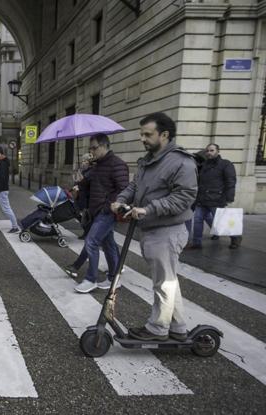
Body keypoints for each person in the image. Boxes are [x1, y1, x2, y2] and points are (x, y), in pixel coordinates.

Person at [112, 112, 197, 342]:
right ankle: (178, 329)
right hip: (151, 229)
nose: (143, 139)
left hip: (168, 230)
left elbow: (184, 197)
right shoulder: (148, 161)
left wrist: (149, 209)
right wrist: (120, 200)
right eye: (141, 134)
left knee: (164, 283)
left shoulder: (181, 162)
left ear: (164, 135)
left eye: (147, 134)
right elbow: (134, 186)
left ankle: (158, 329)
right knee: (168, 281)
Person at [74, 134, 129, 293]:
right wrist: (81, 180)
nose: (91, 151)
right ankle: (114, 278)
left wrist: (108, 205)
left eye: (94, 147)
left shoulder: (116, 164)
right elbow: (90, 186)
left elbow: (124, 189)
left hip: (107, 211)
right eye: (90, 148)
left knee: (91, 242)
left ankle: (90, 279)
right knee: (108, 244)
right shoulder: (97, 165)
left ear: (105, 146)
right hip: (96, 210)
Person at [188, 143, 240, 249]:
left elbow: (230, 181)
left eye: (212, 150)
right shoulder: (204, 165)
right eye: (207, 151)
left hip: (216, 199)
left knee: (223, 220)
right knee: (197, 220)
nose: (209, 153)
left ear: (218, 151)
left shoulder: (225, 164)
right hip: (202, 199)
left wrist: (229, 197)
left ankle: (236, 237)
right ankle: (197, 243)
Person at [64, 153, 94, 277]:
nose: (82, 163)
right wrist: (77, 183)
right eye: (82, 161)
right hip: (86, 203)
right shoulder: (85, 171)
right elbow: (80, 183)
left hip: (92, 206)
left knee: (93, 240)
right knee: (106, 242)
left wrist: (80, 183)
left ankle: (78, 267)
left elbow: (87, 186)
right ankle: (116, 265)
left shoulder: (92, 172)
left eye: (84, 161)